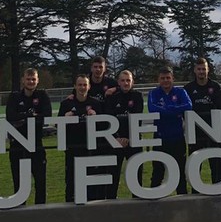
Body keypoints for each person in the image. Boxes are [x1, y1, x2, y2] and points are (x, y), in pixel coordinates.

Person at [5, 68, 52, 204]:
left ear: (37, 80)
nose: (31, 81)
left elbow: (47, 115)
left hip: (36, 145)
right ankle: (20, 213)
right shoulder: (14, 97)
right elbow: (11, 116)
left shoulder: (42, 96)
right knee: (19, 183)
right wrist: (31, 115)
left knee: (40, 181)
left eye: (33, 79)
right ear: (23, 80)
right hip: (17, 147)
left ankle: (40, 211)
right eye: (28, 79)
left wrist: (23, 118)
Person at [58, 75, 105, 202]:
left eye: (85, 85)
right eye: (80, 85)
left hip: (91, 149)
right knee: (71, 180)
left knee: (92, 181)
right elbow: (57, 125)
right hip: (72, 149)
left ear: (89, 86)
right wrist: (63, 119)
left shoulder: (95, 104)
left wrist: (96, 117)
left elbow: (103, 126)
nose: (82, 87)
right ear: (74, 86)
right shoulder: (66, 104)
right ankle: (69, 207)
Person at [147, 65, 193, 195]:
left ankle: (182, 202)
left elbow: (188, 106)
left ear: (173, 78)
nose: (166, 80)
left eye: (168, 77)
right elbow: (152, 109)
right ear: (158, 79)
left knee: (180, 173)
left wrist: (166, 109)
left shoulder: (180, 92)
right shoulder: (153, 93)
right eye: (163, 78)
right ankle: (153, 202)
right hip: (159, 139)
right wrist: (175, 110)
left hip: (177, 138)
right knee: (157, 173)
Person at [102, 69, 144, 198]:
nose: (126, 83)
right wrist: (118, 138)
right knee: (113, 177)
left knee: (136, 177)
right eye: (123, 80)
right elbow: (108, 120)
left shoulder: (138, 96)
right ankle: (111, 205)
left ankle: (138, 204)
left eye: (128, 80)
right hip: (116, 142)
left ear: (132, 82)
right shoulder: (112, 97)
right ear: (118, 82)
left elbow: (138, 119)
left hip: (134, 141)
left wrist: (129, 138)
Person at [183, 57, 221, 188]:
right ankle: (195, 194)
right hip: (195, 133)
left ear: (208, 70)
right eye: (199, 69)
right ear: (195, 70)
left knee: (216, 165)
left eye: (203, 69)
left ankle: (217, 192)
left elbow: (220, 108)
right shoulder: (188, 88)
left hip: (213, 133)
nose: (201, 72)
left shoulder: (215, 87)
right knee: (195, 165)